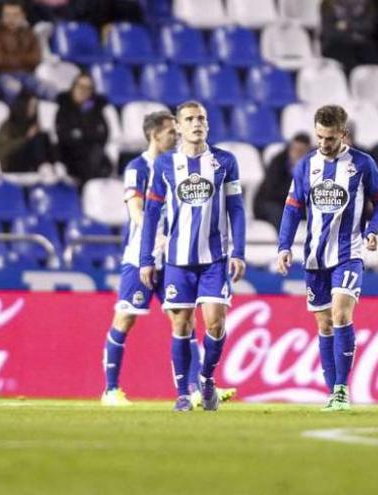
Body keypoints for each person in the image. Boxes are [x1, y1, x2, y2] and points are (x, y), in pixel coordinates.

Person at [100, 110, 237, 408]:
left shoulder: (185, 164)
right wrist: (154, 239)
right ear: (154, 135)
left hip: (176, 256)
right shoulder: (139, 167)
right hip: (142, 256)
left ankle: (195, 388)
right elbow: (137, 208)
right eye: (170, 133)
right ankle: (111, 389)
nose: (175, 137)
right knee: (125, 317)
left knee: (183, 322)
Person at [276, 104, 378, 411]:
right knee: (325, 324)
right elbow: (292, 208)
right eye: (320, 137)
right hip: (314, 257)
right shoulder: (305, 165)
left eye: (329, 138)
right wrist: (283, 246)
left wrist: (372, 229)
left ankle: (341, 388)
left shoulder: (363, 164)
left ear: (344, 134)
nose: (323, 144)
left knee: (341, 315)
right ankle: (333, 393)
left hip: (348, 252)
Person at [139, 101, 247, 412]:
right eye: (190, 119)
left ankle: (207, 379)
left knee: (214, 323)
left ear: (208, 125)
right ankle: (183, 395)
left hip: (214, 259)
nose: (196, 123)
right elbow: (151, 213)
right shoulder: (164, 166)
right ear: (179, 127)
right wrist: (147, 258)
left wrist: (238, 251)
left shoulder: (225, 162)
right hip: (177, 260)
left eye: (201, 118)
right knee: (181, 326)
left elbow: (236, 210)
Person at [55, 73, 111, 186]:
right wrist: (87, 134)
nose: (83, 91)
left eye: (88, 88)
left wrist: (82, 133)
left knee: (99, 156)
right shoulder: (64, 107)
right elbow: (64, 136)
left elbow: (103, 134)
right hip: (69, 156)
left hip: (93, 156)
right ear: (73, 87)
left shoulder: (96, 109)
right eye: (80, 86)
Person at [253, 133, 311, 229]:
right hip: (270, 203)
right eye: (293, 149)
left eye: (300, 151)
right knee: (281, 214)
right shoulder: (278, 162)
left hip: (297, 204)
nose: (296, 153)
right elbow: (271, 192)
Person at [0, 0, 42, 103]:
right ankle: (11, 118)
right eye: (7, 15)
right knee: (13, 88)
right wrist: (24, 59)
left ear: (23, 16)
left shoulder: (30, 33)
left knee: (47, 89)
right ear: (1, 16)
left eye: (15, 15)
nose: (11, 19)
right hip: (4, 74)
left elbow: (36, 58)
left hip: (27, 74)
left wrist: (10, 58)